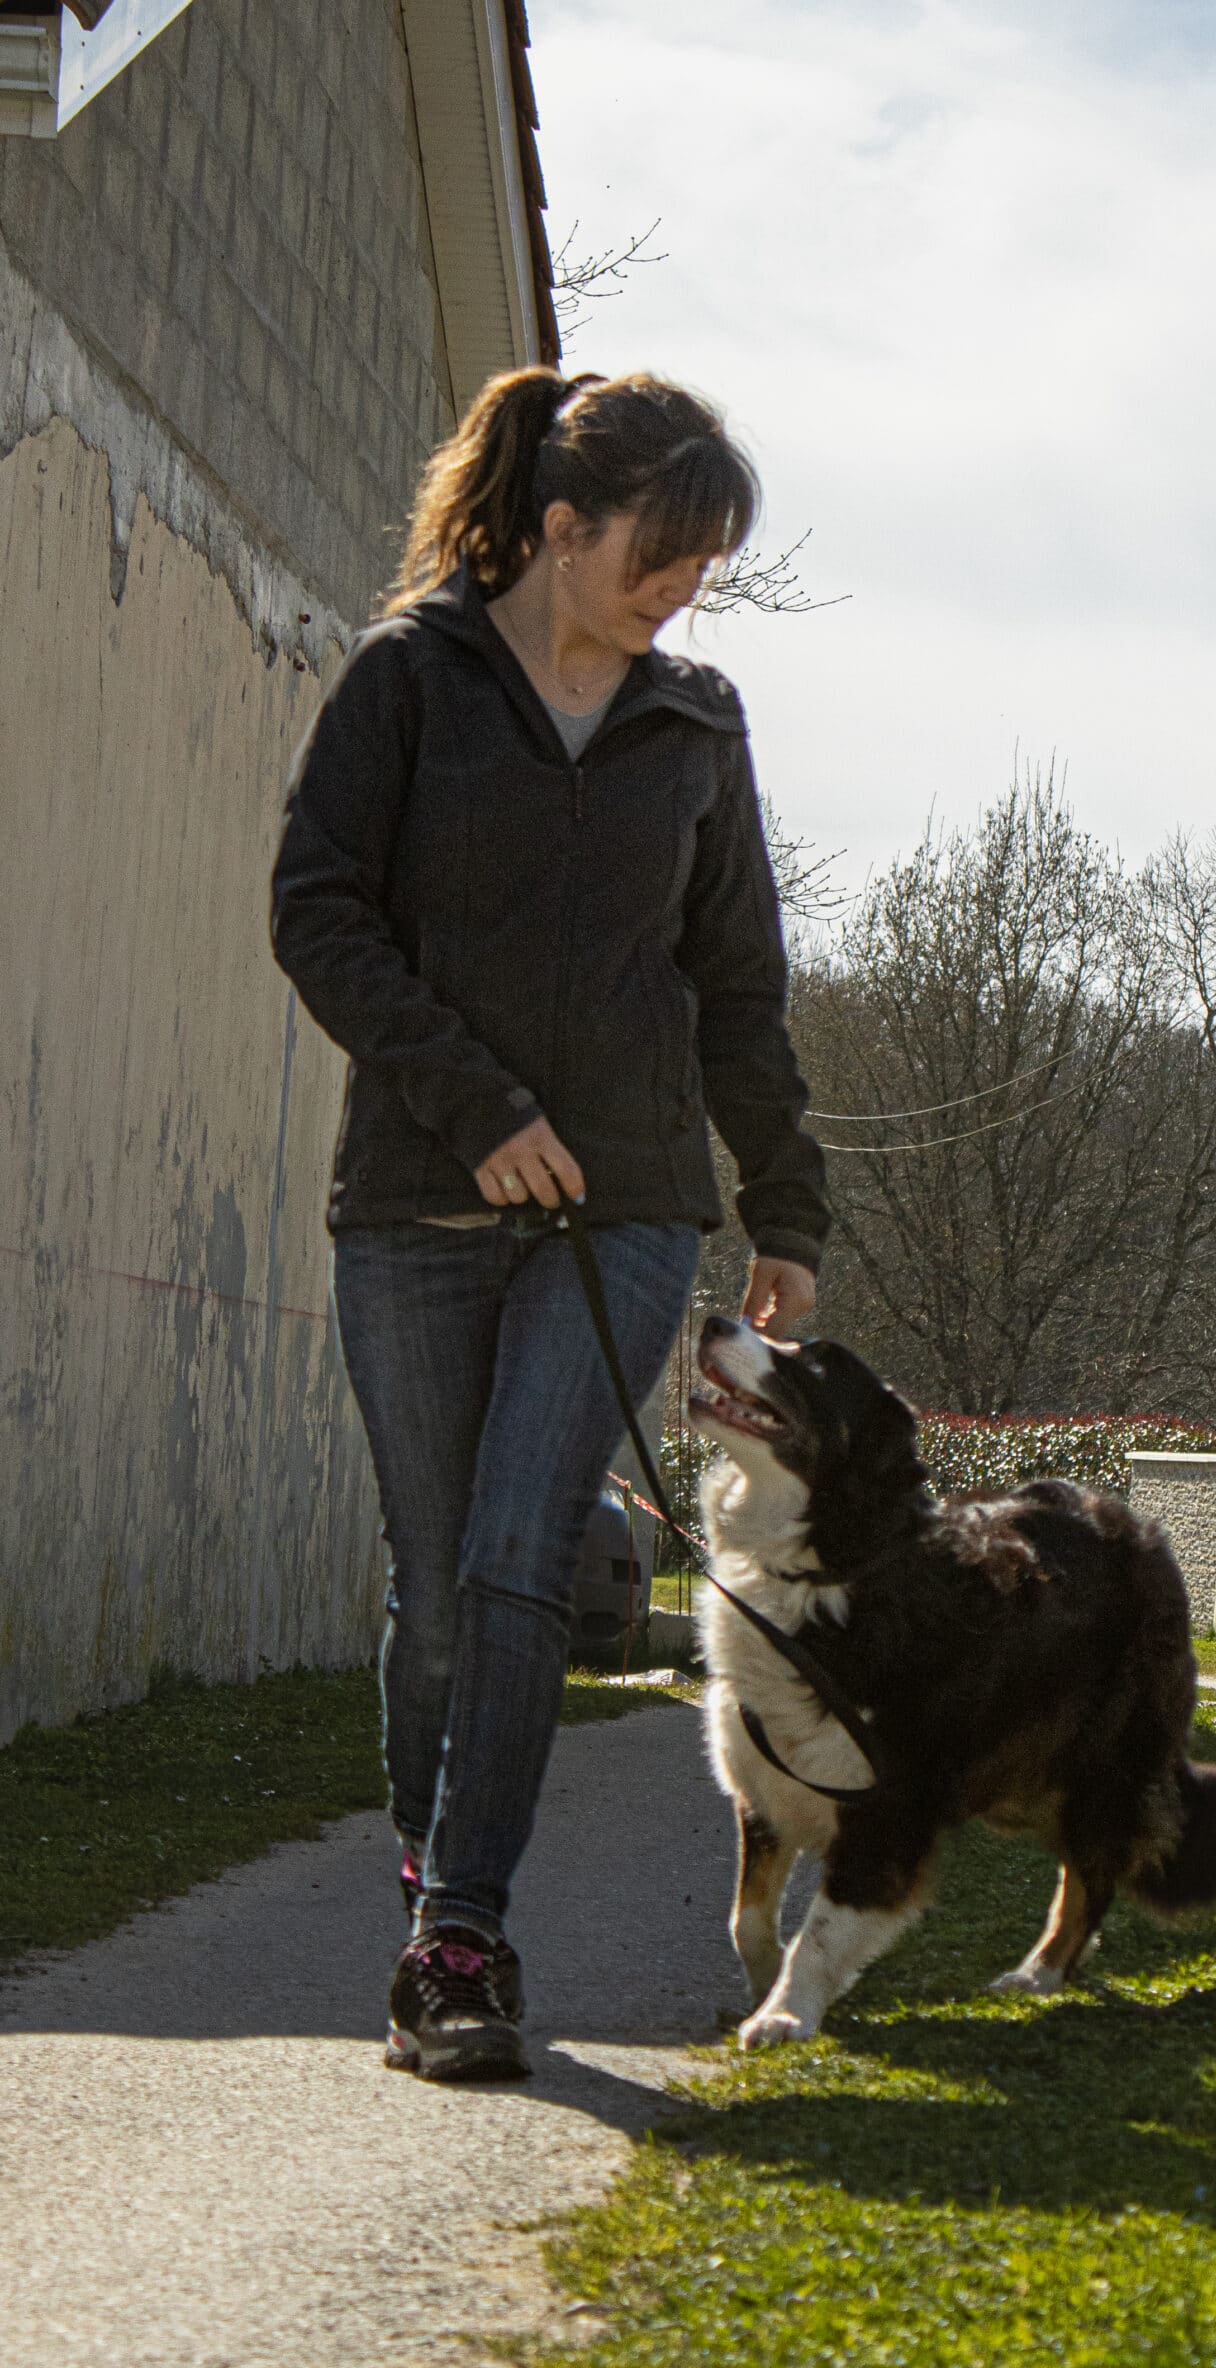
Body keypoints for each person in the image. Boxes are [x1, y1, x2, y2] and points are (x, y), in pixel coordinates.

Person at [271, 367, 828, 2083]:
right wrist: (479, 1104)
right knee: (436, 1591)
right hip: (418, 1206)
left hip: (631, 1210)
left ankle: (463, 1935)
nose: (683, 597)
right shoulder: (407, 684)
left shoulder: (696, 726)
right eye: (659, 558)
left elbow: (738, 985)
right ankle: (434, 1879)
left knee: (525, 1563)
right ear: (562, 524)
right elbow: (319, 914)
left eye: (706, 569)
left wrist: (785, 1204)